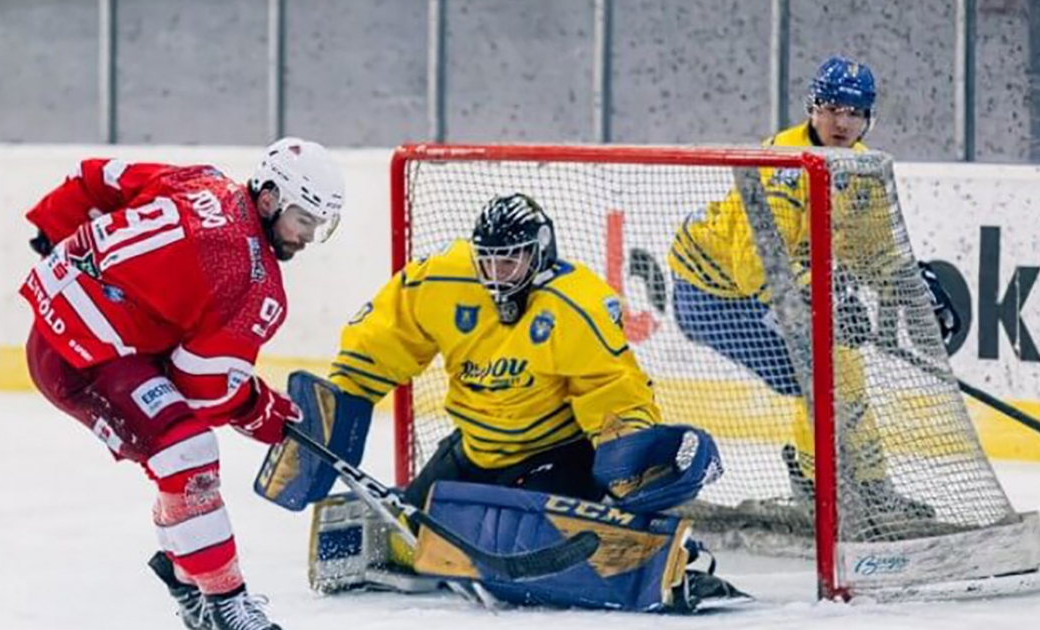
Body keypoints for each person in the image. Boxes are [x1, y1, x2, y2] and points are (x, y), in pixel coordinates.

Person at [312, 192, 734, 613]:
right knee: (412, 536)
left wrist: (624, 451)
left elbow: (610, 388)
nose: (497, 275)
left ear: (541, 253)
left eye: (510, 261)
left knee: (529, 546)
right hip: (475, 448)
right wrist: (346, 395)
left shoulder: (576, 303)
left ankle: (665, 552)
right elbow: (388, 334)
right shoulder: (441, 279)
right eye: (488, 261)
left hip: (555, 454)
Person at [19, 137, 346, 630]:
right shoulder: (257, 286)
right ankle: (225, 604)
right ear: (270, 199)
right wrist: (261, 411)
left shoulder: (202, 178)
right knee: (186, 454)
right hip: (81, 359)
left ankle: (187, 582)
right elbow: (203, 387)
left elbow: (100, 176)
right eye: (304, 221)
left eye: (318, 226)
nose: (307, 236)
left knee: (182, 453)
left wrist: (54, 226)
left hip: (71, 328)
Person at [666, 55, 961, 527]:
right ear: (811, 108)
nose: (842, 122)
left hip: (761, 291)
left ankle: (858, 486)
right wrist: (822, 298)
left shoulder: (860, 168)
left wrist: (909, 288)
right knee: (825, 367)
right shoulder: (781, 165)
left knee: (834, 364)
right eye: (831, 108)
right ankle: (822, 486)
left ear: (869, 117)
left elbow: (873, 252)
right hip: (712, 297)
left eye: (854, 112)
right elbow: (753, 269)